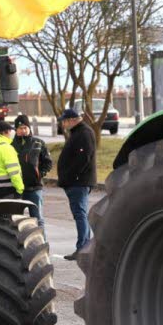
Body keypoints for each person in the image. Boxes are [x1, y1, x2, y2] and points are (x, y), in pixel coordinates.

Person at [56, 108, 96, 260]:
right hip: (75, 182)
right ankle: (85, 247)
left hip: (79, 182)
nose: (63, 124)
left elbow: (83, 159)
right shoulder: (78, 132)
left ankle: (83, 248)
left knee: (80, 214)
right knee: (80, 214)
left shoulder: (84, 133)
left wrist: (71, 176)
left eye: (64, 121)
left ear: (72, 120)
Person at [12, 114, 52, 227]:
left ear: (29, 128)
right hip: (17, 189)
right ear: (16, 130)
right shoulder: (11, 146)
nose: (23, 130)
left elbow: (48, 162)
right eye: (20, 128)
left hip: (35, 188)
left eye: (25, 128)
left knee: (38, 218)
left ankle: (42, 242)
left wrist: (40, 174)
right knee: (16, 220)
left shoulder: (39, 143)